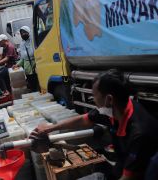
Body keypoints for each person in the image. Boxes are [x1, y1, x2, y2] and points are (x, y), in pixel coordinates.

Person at [30, 69, 158, 180]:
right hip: (119, 170)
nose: (93, 100)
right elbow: (85, 119)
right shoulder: (118, 108)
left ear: (109, 100)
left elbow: (129, 178)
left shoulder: (140, 134)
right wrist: (51, 128)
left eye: (94, 97)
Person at [13, 26, 40, 92]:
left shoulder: (33, 41)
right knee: (32, 84)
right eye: (21, 33)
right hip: (27, 67)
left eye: (24, 32)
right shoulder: (22, 44)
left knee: (39, 82)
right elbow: (23, 58)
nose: (23, 34)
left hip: (36, 65)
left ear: (28, 32)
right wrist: (17, 65)